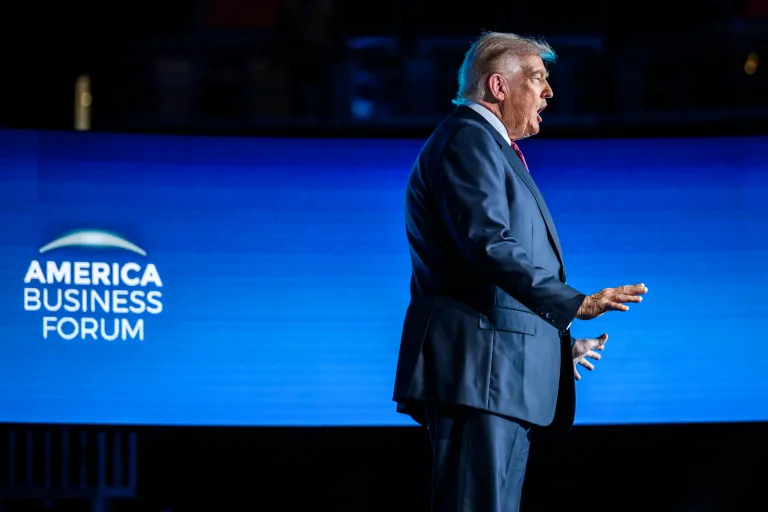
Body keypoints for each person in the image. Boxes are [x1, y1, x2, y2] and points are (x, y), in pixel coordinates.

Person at [391, 31, 648, 512]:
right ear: (498, 85)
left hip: (499, 375)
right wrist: (575, 303)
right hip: (478, 375)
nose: (549, 92)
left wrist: (554, 347)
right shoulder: (468, 140)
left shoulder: (487, 145)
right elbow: (489, 246)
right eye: (537, 79)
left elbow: (490, 281)